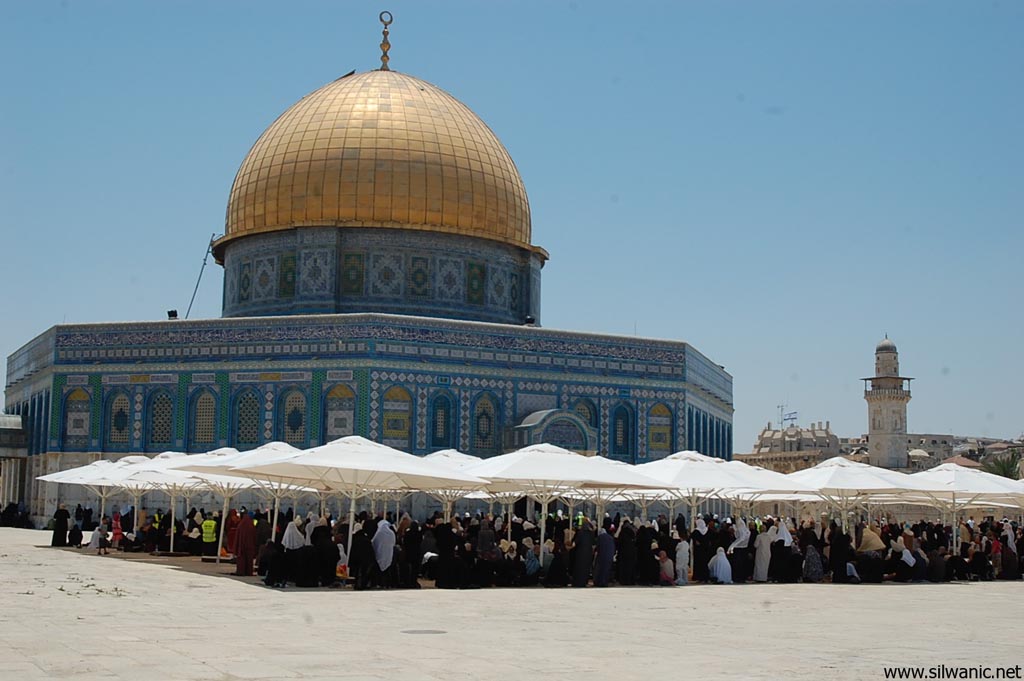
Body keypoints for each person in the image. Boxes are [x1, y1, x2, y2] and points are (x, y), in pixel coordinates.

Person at [372, 519, 397, 588]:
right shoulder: (391, 533)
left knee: (380, 570)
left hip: (379, 553)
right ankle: (387, 583)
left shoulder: (379, 533)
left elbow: (374, 542)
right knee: (387, 569)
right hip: (389, 554)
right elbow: (394, 543)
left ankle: (380, 583)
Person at [572, 519, 595, 588]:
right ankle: (584, 582)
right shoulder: (591, 534)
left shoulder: (580, 533)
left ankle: (578, 582)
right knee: (586, 569)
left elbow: (574, 544)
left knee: (579, 568)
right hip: (588, 553)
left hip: (580, 553)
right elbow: (593, 544)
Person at [234, 512, 258, 577]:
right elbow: (254, 536)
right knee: (249, 559)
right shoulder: (251, 525)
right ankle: (248, 571)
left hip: (241, 545)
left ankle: (241, 571)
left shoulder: (241, 524)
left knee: (241, 558)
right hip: (250, 545)